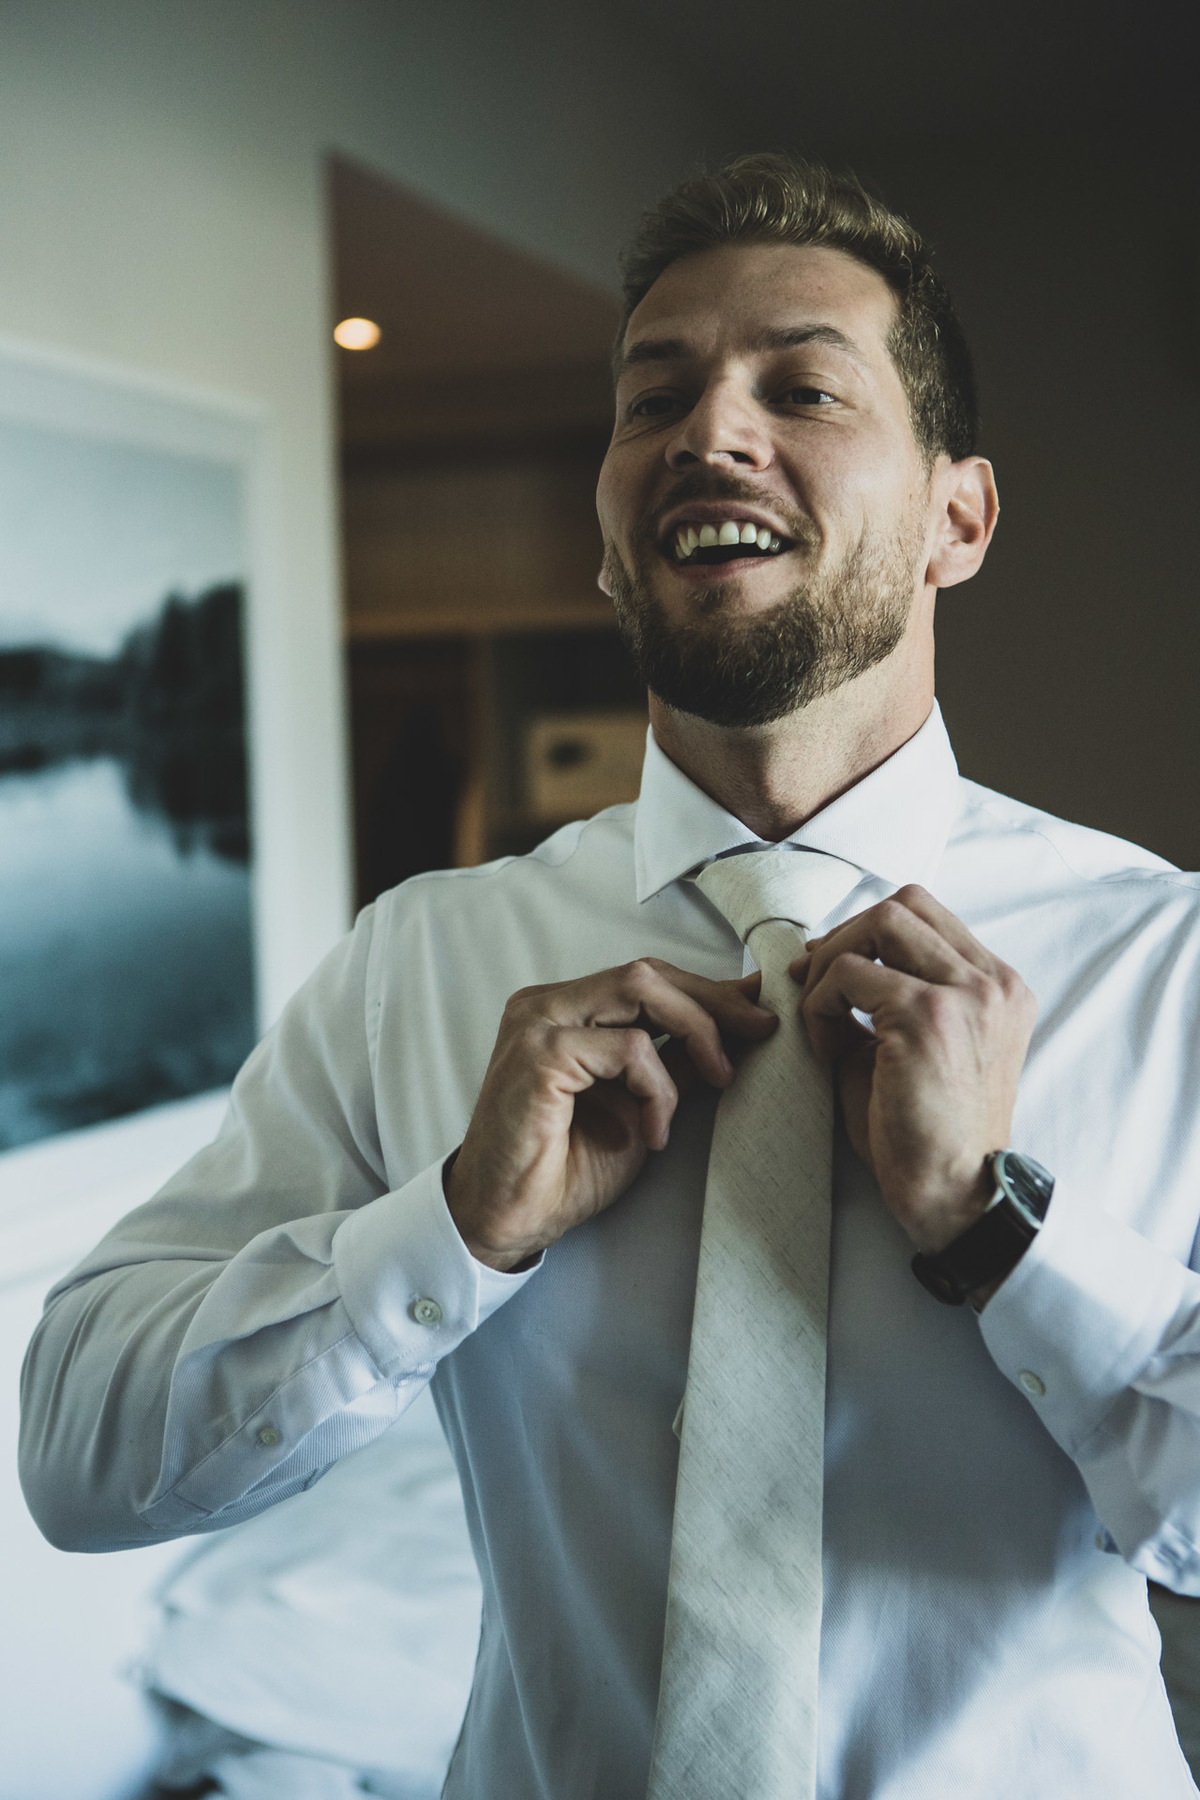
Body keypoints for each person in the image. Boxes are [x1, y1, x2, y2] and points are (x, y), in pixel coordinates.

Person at [20, 154, 1200, 1798]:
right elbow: (78, 1455)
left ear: (959, 518)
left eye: (801, 386)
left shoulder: (1170, 961)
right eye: (656, 399)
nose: (708, 433)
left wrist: (1000, 1233)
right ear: (604, 534)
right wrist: (447, 1233)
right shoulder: (415, 965)